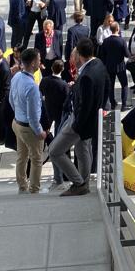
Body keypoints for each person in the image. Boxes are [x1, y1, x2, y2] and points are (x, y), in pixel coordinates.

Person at [49, 38, 107, 197]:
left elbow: (85, 105)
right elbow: (106, 87)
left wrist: (77, 126)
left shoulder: (87, 75)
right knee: (83, 151)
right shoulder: (99, 65)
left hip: (80, 121)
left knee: (54, 151)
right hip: (90, 119)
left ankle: (79, 183)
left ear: (80, 55)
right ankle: (84, 183)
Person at [9, 47, 45, 194]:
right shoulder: (32, 87)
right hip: (28, 127)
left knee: (21, 156)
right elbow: (33, 116)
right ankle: (34, 188)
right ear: (32, 63)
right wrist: (40, 132)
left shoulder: (16, 76)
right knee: (36, 159)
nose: (40, 62)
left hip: (17, 122)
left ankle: (22, 186)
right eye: (39, 60)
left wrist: (18, 113)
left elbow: (11, 100)